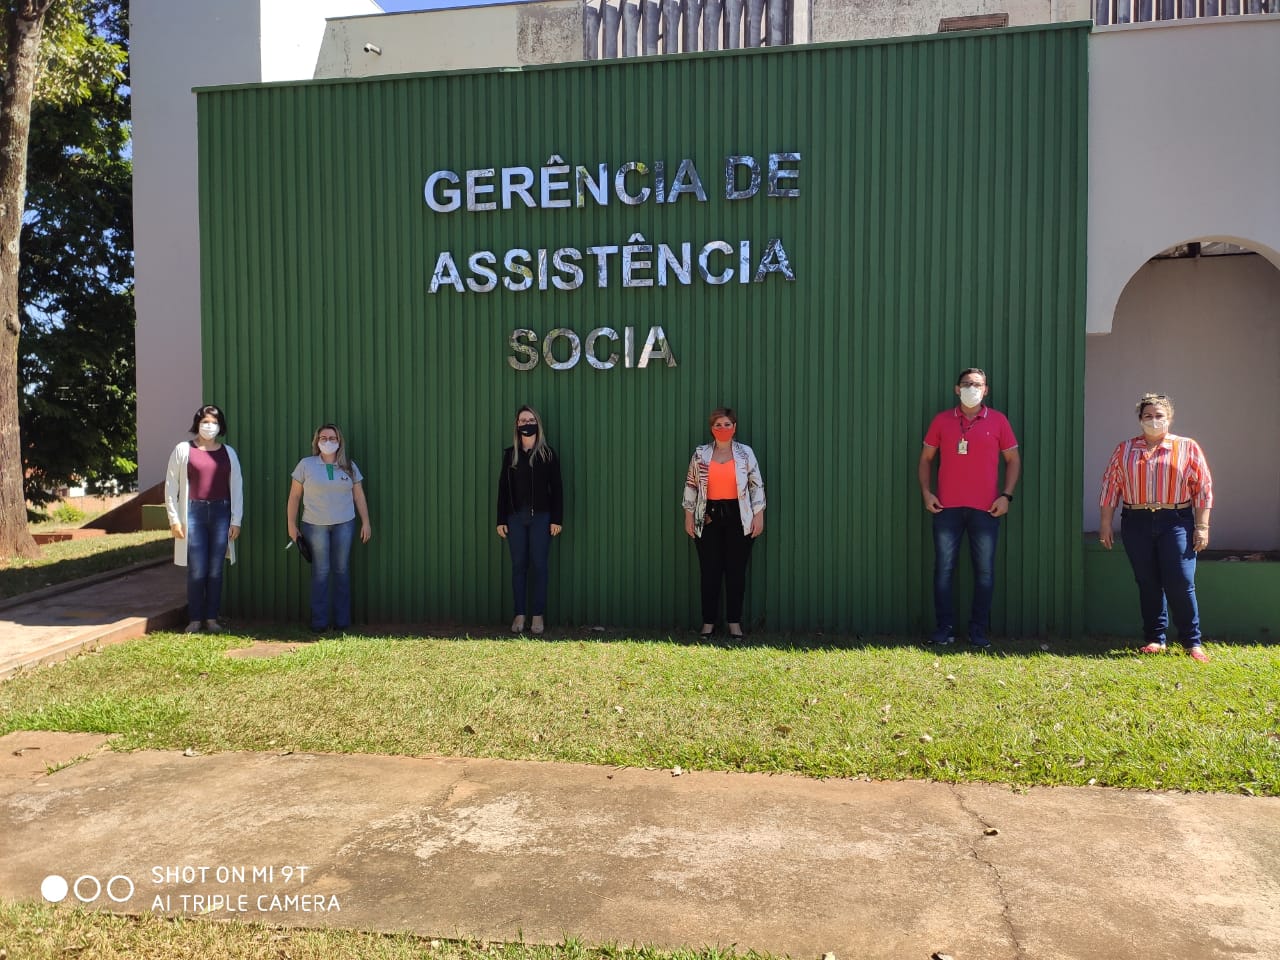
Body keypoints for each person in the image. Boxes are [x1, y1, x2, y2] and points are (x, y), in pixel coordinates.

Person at [1098, 393, 1213, 662]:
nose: (1154, 420)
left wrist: (1202, 526)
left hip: (1176, 519)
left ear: (1169, 418)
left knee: (1181, 581)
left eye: (1159, 415)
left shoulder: (1187, 447)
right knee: (1147, 582)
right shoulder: (1124, 449)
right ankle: (1155, 638)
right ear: (1140, 419)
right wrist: (1105, 523)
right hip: (1136, 520)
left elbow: (1203, 488)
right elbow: (1110, 486)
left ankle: (1192, 642)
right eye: (1148, 416)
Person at [918, 368, 1020, 649]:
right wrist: (927, 493)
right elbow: (926, 459)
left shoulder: (998, 421)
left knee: (984, 572)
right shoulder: (942, 421)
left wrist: (1006, 496)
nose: (971, 388)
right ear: (956, 389)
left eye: (976, 384)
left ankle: (978, 631)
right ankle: (944, 629)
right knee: (944, 570)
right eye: (966, 384)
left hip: (987, 509)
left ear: (986, 390)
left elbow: (1013, 460)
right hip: (946, 508)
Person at [682, 407, 766, 639]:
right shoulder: (701, 454)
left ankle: (734, 624)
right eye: (718, 425)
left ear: (734, 427)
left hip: (739, 517)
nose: (723, 428)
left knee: (736, 572)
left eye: (727, 424)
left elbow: (755, 485)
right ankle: (708, 624)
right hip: (707, 517)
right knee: (709, 571)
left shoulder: (745, 453)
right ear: (712, 429)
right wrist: (689, 515)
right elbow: (691, 485)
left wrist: (759, 515)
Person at [164, 404, 243, 634]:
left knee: (215, 569)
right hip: (193, 513)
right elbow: (171, 486)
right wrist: (174, 519)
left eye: (214, 422)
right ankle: (195, 619)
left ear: (221, 426)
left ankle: (212, 618)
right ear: (197, 423)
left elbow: (237, 486)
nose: (210, 426)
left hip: (221, 513)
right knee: (197, 568)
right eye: (205, 422)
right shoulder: (183, 450)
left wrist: (236, 519)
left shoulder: (228, 453)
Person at [286, 423, 372, 633]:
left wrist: (366, 522)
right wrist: (291, 524)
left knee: (341, 570)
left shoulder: (349, 466)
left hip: (344, 523)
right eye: (323, 438)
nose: (328, 442)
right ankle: (319, 622)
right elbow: (295, 496)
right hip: (315, 525)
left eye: (332, 438)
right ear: (316, 442)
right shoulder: (306, 465)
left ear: (339, 441)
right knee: (321, 571)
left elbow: (358, 495)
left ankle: (342, 622)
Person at [495, 406, 563, 635]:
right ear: (517, 425)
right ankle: (519, 614)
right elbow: (503, 489)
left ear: (538, 424)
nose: (526, 423)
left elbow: (558, 489)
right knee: (518, 567)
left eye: (530, 419)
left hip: (542, 519)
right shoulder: (510, 454)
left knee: (540, 566)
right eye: (523, 420)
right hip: (515, 519)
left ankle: (537, 615)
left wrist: (556, 519)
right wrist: (500, 519)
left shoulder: (548, 454)